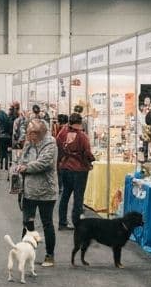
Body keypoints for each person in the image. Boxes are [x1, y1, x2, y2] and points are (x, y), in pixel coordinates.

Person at [17, 117, 58, 267]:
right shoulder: (29, 144)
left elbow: (44, 163)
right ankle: (25, 253)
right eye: (28, 133)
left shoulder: (50, 144)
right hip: (29, 190)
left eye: (31, 134)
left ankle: (49, 255)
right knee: (27, 223)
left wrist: (26, 167)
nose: (29, 137)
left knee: (47, 223)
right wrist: (19, 166)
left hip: (46, 191)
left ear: (40, 133)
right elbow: (22, 160)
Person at [56, 113, 94, 230]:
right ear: (79, 123)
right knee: (78, 197)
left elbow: (58, 147)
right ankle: (77, 223)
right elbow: (87, 152)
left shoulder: (62, 132)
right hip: (79, 169)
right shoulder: (82, 136)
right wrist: (91, 160)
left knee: (65, 195)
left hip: (65, 167)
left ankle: (62, 222)